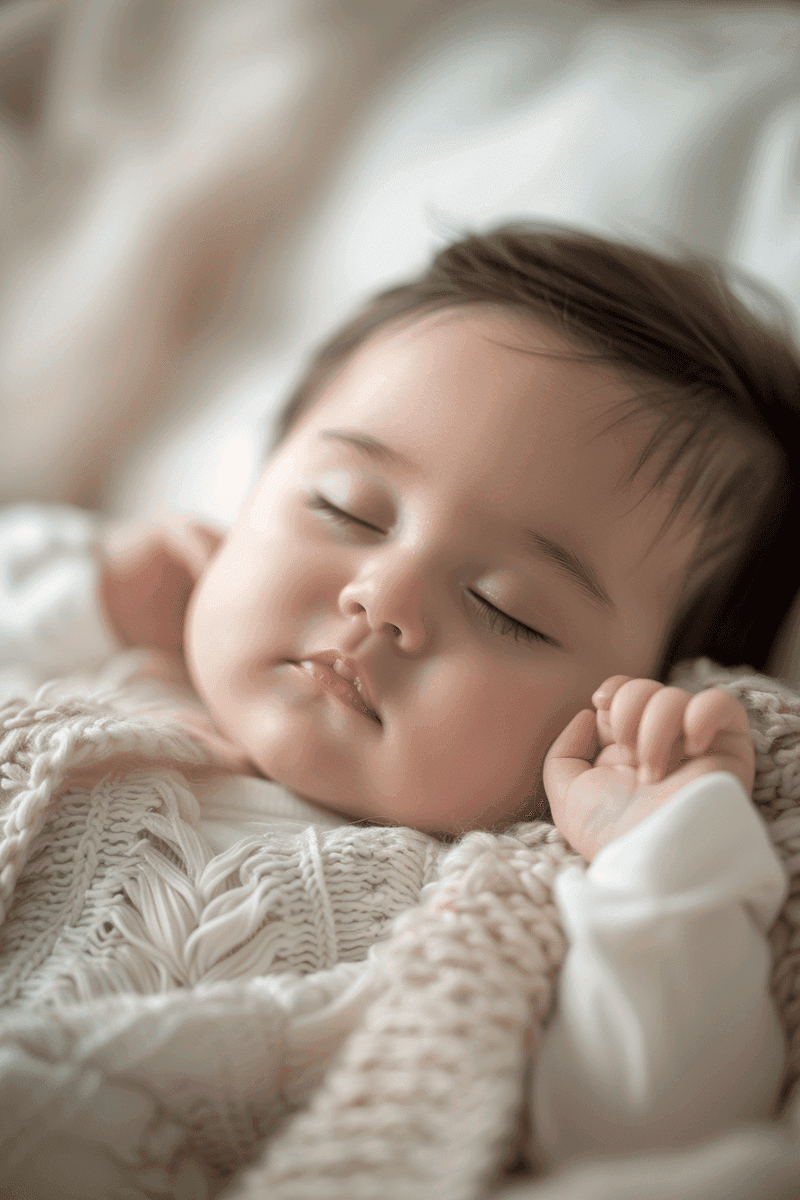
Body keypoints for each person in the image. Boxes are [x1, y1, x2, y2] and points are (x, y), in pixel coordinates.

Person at [0, 223, 796, 1173]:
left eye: (510, 611)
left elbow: (656, 1138)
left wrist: (668, 861)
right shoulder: (94, 671)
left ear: (639, 695)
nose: (384, 598)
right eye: (345, 506)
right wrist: (81, 600)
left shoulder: (511, 926)